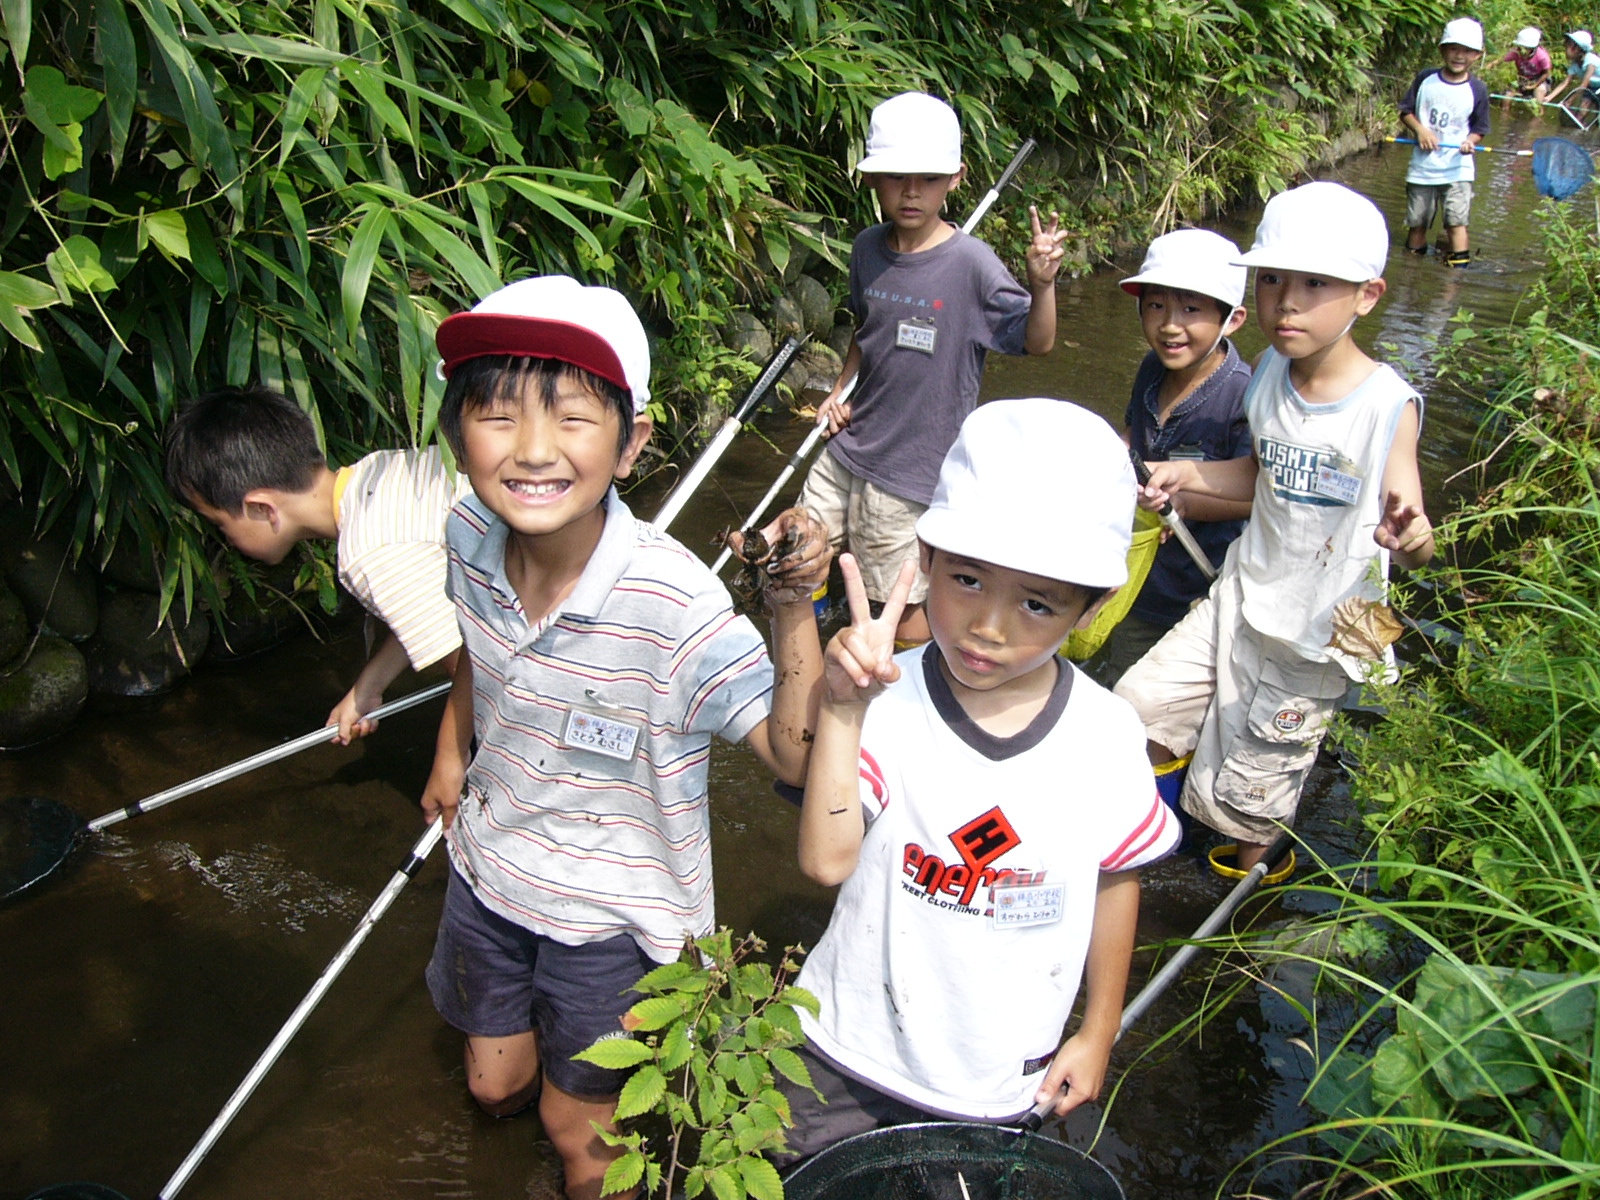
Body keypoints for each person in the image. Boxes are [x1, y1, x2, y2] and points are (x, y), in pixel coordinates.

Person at [417, 275, 829, 1200]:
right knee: (493, 1086)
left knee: (579, 1137)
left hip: (619, 921)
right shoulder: (468, 535)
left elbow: (797, 757)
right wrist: (452, 754)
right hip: (491, 868)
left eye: (570, 418)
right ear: (458, 431)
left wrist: (793, 606)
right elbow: (474, 653)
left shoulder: (676, 605)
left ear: (632, 442)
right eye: (496, 413)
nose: (530, 450)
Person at [780, 398, 1182, 1158]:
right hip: (843, 1050)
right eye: (966, 579)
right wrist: (840, 710)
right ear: (924, 559)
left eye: (1037, 602)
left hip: (996, 1078)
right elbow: (825, 861)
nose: (989, 627)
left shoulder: (1105, 737)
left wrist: (1098, 1032)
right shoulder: (885, 697)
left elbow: (1115, 881)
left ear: (1089, 608)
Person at [1115, 181, 1435, 875]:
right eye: (1271, 281)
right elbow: (1261, 476)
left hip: (1321, 626)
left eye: (1315, 283)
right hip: (1241, 593)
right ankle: (1147, 840)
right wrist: (1190, 475)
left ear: (1368, 296)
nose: (1285, 302)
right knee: (1134, 707)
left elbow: (1414, 531)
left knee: (1254, 792)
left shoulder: (1385, 405)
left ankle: (1246, 891)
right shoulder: (1267, 376)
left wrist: (1409, 538)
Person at [802, 91, 1068, 646]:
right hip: (850, 444)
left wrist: (1042, 285)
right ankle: (815, 645)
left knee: (897, 603)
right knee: (803, 553)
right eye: (897, 176)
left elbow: (1038, 342)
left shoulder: (971, 265)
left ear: (956, 178)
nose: (911, 191)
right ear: (874, 180)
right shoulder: (867, 248)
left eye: (928, 177)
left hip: (910, 471)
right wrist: (837, 391)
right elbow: (865, 330)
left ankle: (919, 682)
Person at [165, 384, 468, 743]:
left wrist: (451, 762)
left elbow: (477, 678)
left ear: (262, 508)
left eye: (220, 524)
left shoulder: (370, 552)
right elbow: (433, 605)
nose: (226, 540)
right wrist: (367, 688)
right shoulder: (378, 471)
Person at [1085, 229, 1253, 688]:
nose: (1170, 325)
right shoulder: (1152, 368)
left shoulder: (1243, 396)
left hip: (1184, 586)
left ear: (1232, 320)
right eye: (1156, 306)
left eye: (1191, 309)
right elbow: (1133, 436)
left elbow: (1253, 495)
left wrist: (1183, 505)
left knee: (1139, 682)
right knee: (1107, 657)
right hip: (1129, 567)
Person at [1399, 17, 1490, 269]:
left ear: (1477, 55)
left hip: (1457, 169)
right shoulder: (1425, 79)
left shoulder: (1478, 89)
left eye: (1467, 51)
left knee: (1456, 222)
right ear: (1442, 49)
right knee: (1417, 222)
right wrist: (1420, 131)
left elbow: (1480, 128)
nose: (1459, 56)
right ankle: (1411, 272)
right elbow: (1406, 111)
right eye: (1453, 49)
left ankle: (1455, 277)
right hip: (1423, 168)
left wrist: (1469, 141)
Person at [1545, 30, 1600, 116]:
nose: (1566, 50)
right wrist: (1548, 97)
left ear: (1578, 49)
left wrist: (1570, 100)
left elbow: (1584, 85)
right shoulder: (1575, 64)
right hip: (1591, 87)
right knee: (1582, 110)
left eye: (1568, 47)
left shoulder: (1591, 61)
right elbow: (1565, 83)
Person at [1501, 26, 1553, 107]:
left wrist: (1533, 86)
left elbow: (1546, 73)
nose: (1521, 50)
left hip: (1539, 79)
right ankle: (1505, 116)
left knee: (1539, 92)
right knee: (1507, 96)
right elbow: (1500, 60)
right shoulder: (1516, 52)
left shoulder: (1542, 56)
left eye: (1525, 48)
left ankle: (1538, 116)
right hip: (1523, 79)